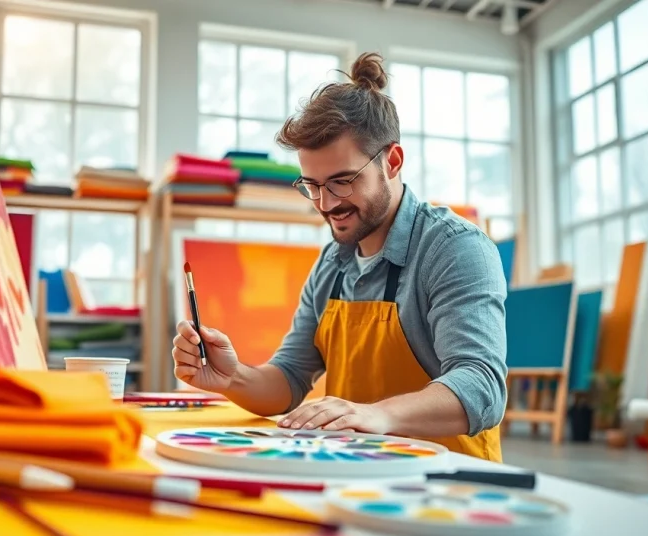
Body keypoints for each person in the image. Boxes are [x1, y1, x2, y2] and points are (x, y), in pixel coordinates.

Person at [170, 52, 508, 462]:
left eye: (343, 182)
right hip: (357, 471)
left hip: (450, 481)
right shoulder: (333, 262)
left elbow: (482, 386)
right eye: (311, 185)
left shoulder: (454, 249)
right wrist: (232, 377)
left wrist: (373, 415)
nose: (327, 204)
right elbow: (290, 380)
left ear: (393, 161)